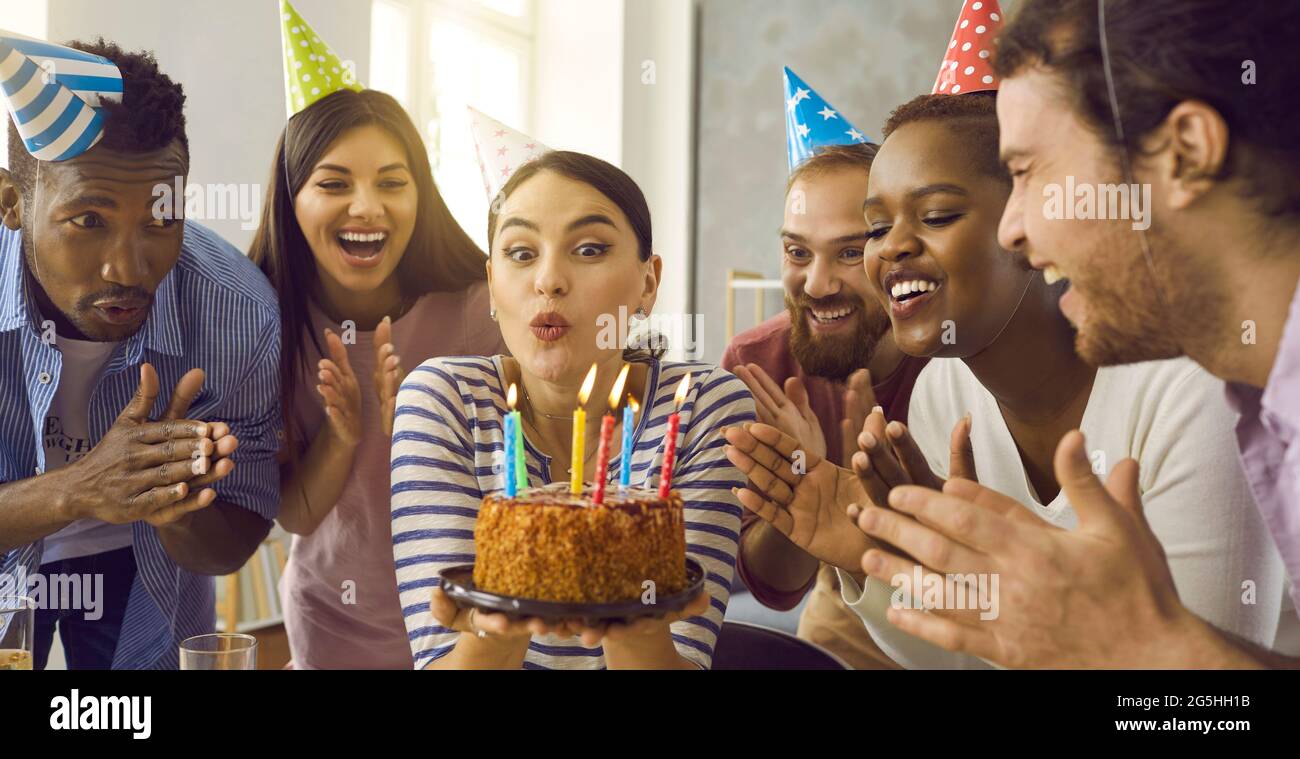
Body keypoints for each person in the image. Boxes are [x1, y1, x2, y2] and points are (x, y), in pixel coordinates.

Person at [725, 89, 1298, 668]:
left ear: (1027, 222)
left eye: (937, 216)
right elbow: (966, 661)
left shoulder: (1187, 390)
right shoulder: (940, 395)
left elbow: (1199, 710)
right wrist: (874, 560)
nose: (891, 246)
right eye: (876, 227)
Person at [391, 149, 754, 669]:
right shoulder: (443, 399)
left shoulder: (700, 407)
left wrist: (633, 628)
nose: (549, 280)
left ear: (648, 282)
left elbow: (683, 656)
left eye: (588, 249)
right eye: (521, 253)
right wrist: (500, 627)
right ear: (492, 284)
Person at [0, 37, 280, 669]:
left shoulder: (237, 313)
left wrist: (176, 507)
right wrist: (79, 490)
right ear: (12, 203)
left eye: (160, 220)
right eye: (89, 221)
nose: (128, 267)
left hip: (147, 593)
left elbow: (231, 547)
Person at [250, 4, 505, 670]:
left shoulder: (480, 311)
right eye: (334, 183)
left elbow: (530, 478)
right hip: (328, 629)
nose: (367, 207)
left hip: (471, 633)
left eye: (393, 183)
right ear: (290, 198)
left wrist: (423, 427)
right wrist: (344, 433)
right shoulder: (265, 322)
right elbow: (299, 517)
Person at [724, 141, 926, 670]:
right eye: (797, 252)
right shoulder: (756, 365)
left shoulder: (957, 357)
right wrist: (802, 492)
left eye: (849, 252)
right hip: (843, 617)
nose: (816, 284)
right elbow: (776, 588)